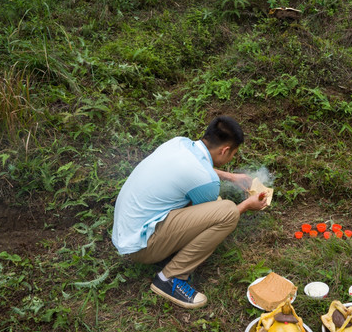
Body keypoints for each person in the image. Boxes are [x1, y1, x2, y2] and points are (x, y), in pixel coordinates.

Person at [112, 116, 268, 309]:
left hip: (127, 230)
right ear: (225, 150)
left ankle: (167, 255)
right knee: (227, 211)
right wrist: (246, 205)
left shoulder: (179, 143)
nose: (232, 158)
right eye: (233, 154)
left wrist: (230, 177)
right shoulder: (206, 179)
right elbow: (219, 213)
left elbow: (193, 171)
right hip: (141, 246)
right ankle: (170, 279)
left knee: (216, 205)